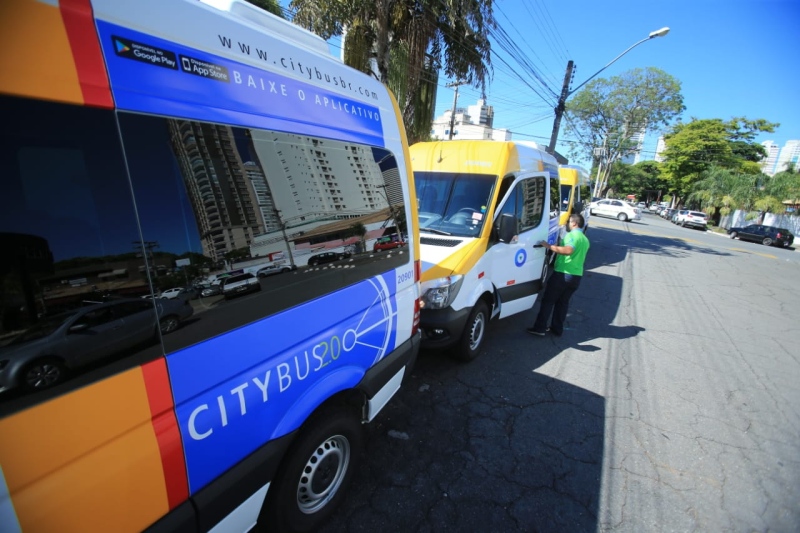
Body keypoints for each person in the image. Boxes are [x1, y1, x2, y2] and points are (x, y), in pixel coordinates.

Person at [527, 213, 590, 337]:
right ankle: (557, 329)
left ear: (574, 223)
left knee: (548, 301)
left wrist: (549, 246)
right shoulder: (584, 239)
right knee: (563, 303)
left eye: (568, 222)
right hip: (576, 276)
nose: (566, 224)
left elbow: (568, 250)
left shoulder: (572, 235)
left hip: (563, 274)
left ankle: (540, 328)